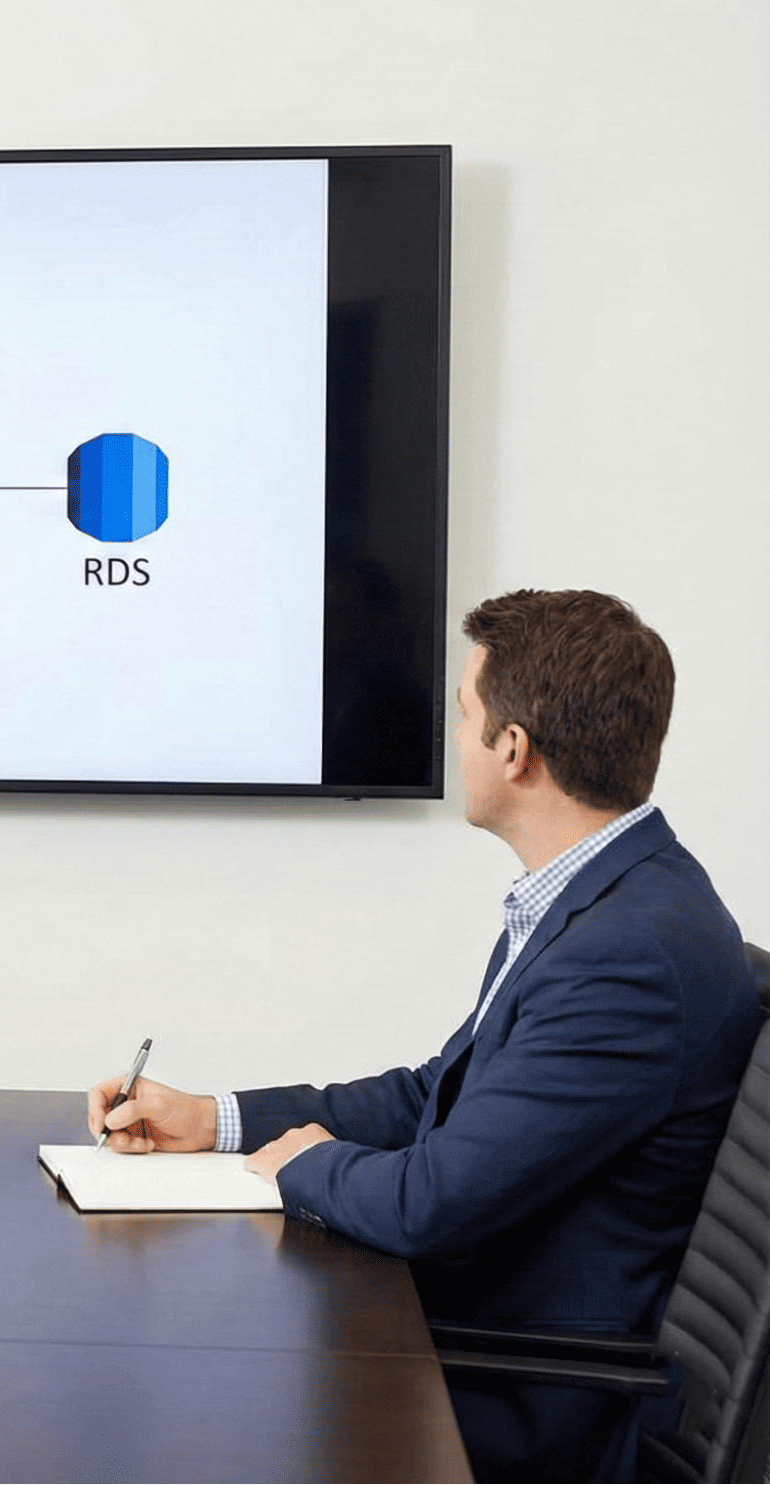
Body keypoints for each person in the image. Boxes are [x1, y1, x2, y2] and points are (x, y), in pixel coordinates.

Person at [88, 589, 759, 1483]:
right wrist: (215, 1118)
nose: (456, 737)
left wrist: (300, 1164)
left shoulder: (627, 950)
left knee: (153, 1407)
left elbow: (431, 1202)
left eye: (463, 714)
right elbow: (432, 1092)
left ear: (512, 749)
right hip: (475, 1337)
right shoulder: (602, 897)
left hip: (522, 1400)